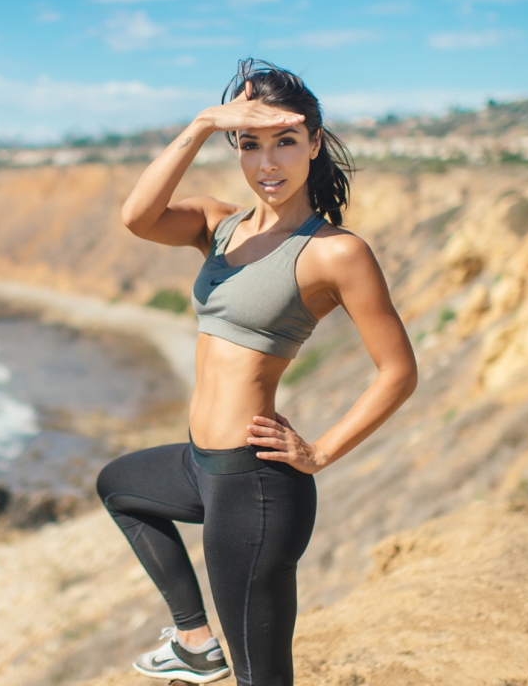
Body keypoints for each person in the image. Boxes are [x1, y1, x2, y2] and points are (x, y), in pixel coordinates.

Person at [96, 59, 418, 686]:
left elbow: (398, 371)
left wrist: (321, 450)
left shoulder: (334, 252)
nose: (267, 164)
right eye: (250, 145)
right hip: (200, 466)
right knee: (119, 486)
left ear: (314, 144)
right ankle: (193, 640)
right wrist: (201, 124)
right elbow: (137, 217)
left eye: (285, 143)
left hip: (256, 484)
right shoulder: (220, 225)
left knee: (261, 680)